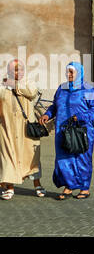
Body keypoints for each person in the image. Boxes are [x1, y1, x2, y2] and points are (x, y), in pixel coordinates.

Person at [41, 62, 94, 200]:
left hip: (82, 130)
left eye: (71, 72)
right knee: (64, 158)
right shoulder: (62, 89)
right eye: (67, 72)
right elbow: (55, 106)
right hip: (63, 130)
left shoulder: (89, 89)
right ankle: (68, 186)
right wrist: (47, 114)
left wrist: (81, 117)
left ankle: (84, 188)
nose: (68, 75)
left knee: (82, 158)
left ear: (78, 73)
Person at [1, 59, 46, 199]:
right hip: (7, 128)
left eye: (20, 69)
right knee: (9, 156)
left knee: (31, 157)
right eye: (15, 70)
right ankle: (10, 186)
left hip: (26, 127)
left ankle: (37, 184)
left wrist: (14, 85)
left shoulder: (29, 82)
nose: (18, 72)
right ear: (9, 71)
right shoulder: (2, 85)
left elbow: (32, 93)